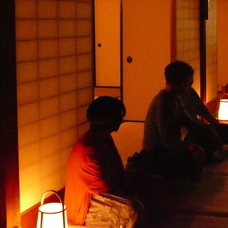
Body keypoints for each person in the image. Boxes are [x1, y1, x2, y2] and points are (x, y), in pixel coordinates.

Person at [65, 96, 162, 227]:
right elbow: (105, 189)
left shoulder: (105, 138)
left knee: (151, 185)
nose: (121, 120)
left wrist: (133, 189)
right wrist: (131, 196)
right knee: (132, 211)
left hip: (107, 190)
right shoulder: (87, 150)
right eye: (119, 116)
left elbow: (119, 171)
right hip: (88, 203)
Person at [140, 61, 207, 180]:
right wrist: (189, 147)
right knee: (192, 161)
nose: (190, 84)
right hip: (157, 154)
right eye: (188, 81)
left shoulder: (173, 98)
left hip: (169, 148)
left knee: (203, 143)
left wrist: (207, 131)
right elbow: (166, 139)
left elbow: (186, 120)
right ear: (182, 82)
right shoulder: (162, 102)